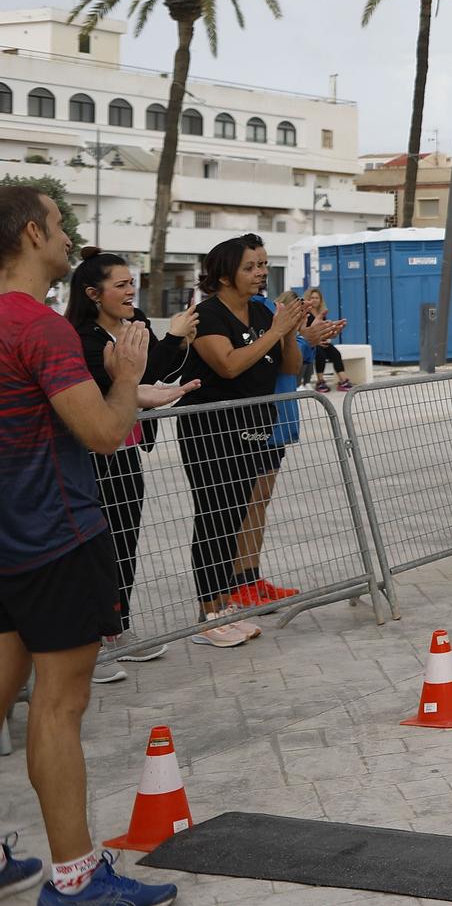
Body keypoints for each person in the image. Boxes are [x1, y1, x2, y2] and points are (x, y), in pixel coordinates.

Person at [0, 189, 191, 904]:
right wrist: (125, 379)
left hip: (7, 538)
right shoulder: (39, 325)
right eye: (60, 224)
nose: (68, 235)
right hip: (55, 537)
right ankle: (77, 880)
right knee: (58, 706)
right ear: (31, 233)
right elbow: (106, 435)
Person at [185, 235, 340, 636]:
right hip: (213, 432)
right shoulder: (209, 315)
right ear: (223, 276)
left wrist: (288, 331)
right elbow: (229, 365)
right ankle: (209, 613)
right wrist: (275, 331)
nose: (260, 274)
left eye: (263, 265)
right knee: (214, 518)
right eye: (250, 267)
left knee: (236, 518)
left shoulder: (260, 310)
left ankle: (226, 604)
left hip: (256, 427)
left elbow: (286, 365)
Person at [63, 250, 202, 683]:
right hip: (91, 454)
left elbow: (154, 373)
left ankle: (117, 631)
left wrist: (175, 341)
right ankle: (84, 644)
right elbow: (124, 383)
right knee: (93, 549)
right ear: (93, 293)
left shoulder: (135, 321)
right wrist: (172, 340)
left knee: (126, 540)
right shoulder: (81, 338)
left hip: (126, 451)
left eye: (131, 282)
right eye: (121, 284)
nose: (130, 291)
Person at [301, 287, 352, 391]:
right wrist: (317, 341)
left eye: (317, 298)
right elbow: (303, 330)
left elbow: (324, 328)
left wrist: (327, 337)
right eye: (312, 298)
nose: (314, 300)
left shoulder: (322, 313)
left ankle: (343, 380)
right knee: (320, 354)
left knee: (335, 353)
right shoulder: (305, 313)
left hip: (322, 340)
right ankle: (320, 381)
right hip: (311, 342)